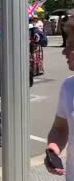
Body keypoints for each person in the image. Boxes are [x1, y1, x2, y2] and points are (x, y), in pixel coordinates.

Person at [46, 14, 74, 179]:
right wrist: (53, 149)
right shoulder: (68, 86)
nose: (64, 51)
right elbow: (60, 127)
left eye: (71, 45)